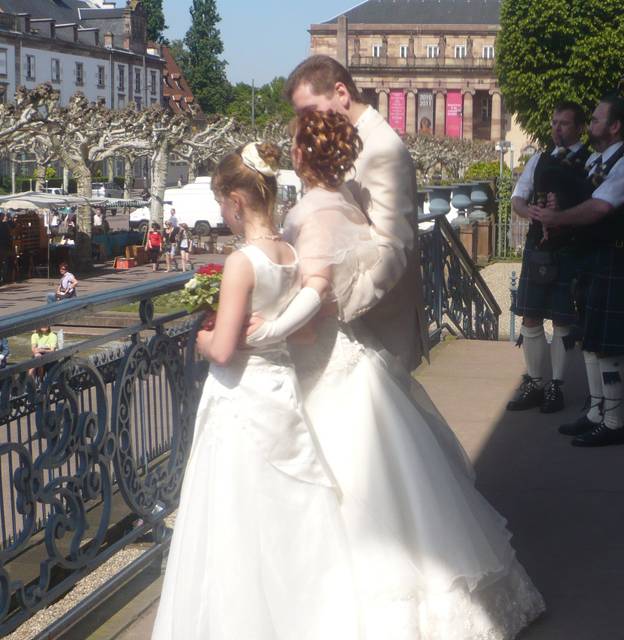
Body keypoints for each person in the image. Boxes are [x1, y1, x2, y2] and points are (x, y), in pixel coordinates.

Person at [247, 110, 545, 638]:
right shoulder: (347, 205)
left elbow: (313, 297)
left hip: (323, 363)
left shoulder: (310, 213)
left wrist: (263, 328)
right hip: (353, 355)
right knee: (398, 487)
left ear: (300, 155)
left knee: (350, 492)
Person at [152, 142, 358, 639]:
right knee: (286, 509)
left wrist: (200, 338)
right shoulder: (289, 255)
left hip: (239, 398)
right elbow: (303, 332)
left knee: (232, 516)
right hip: (281, 391)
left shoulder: (241, 262)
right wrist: (267, 332)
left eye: (222, 204)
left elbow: (224, 350)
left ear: (236, 202)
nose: (221, 214)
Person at [530, 95, 624, 447]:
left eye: (596, 118)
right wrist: (560, 204)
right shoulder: (600, 163)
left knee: (607, 347)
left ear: (615, 126)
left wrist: (559, 217)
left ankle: (614, 422)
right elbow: (583, 199)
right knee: (591, 340)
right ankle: (596, 414)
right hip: (595, 258)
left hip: (615, 259)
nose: (590, 123)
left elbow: (598, 208)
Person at [284, 54, 427, 372]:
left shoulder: (382, 150)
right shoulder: (346, 143)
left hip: (377, 327)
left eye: (309, 111)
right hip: (345, 329)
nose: (306, 125)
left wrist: (333, 305)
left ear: (342, 93)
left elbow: (393, 250)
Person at [506, 101, 593, 414]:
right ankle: (535, 382)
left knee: (561, 320)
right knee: (530, 315)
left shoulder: (590, 161)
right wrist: (528, 210)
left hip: (570, 247)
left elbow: (594, 203)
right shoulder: (540, 159)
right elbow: (518, 196)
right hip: (538, 247)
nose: (557, 128)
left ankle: (556, 386)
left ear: (579, 127)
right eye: (554, 122)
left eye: (565, 123)